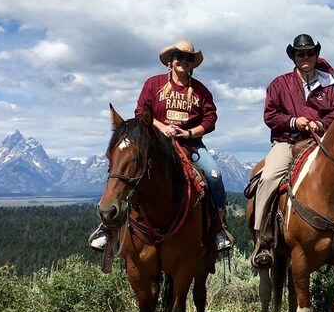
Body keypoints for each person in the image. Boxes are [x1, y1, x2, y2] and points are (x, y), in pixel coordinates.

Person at [90, 39, 232, 252]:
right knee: (127, 169)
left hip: (190, 145)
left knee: (213, 176)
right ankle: (108, 227)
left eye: (188, 58)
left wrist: (188, 132)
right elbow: (140, 113)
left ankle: (218, 227)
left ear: (193, 64)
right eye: (179, 57)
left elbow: (210, 120)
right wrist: (161, 127)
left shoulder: (201, 91)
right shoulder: (153, 84)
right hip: (156, 145)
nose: (183, 61)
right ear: (171, 61)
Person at [250, 33, 334, 269]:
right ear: (293, 56)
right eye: (300, 53)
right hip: (287, 142)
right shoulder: (279, 84)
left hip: (319, 143)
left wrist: (320, 124)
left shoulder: (329, 87)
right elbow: (270, 115)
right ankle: (263, 239)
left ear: (316, 55)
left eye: (310, 53)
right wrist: (294, 121)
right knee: (270, 177)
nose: (306, 57)